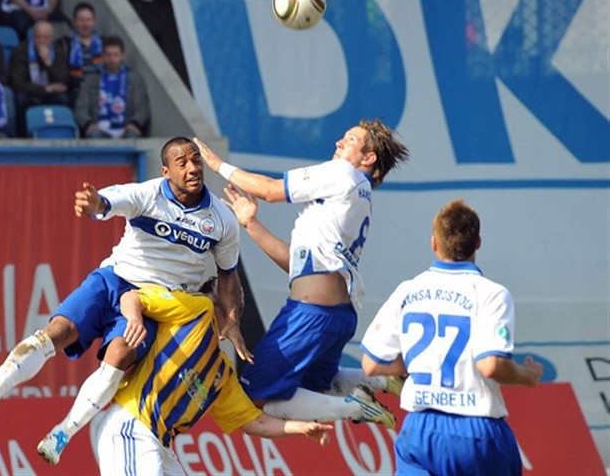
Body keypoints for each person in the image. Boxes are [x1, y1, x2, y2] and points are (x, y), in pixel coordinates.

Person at [0, 137, 252, 447]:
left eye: (196, 161)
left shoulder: (222, 220)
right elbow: (107, 202)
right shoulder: (148, 194)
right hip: (114, 280)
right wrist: (94, 205)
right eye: (182, 163)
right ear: (166, 171)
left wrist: (233, 319)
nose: (193, 168)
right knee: (58, 331)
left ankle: (62, 434)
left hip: (154, 305)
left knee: (119, 354)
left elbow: (228, 277)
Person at [194, 119, 409, 426]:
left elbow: (269, 190)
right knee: (314, 389)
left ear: (368, 158)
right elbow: (298, 266)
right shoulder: (359, 196)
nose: (338, 142)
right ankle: (379, 380)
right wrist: (251, 225)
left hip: (311, 314)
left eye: (349, 139)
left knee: (256, 397)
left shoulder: (342, 174)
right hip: (338, 316)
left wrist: (219, 166)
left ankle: (356, 408)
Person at [360, 199, 544, 475]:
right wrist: (527, 376)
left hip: (421, 429)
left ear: (434, 242)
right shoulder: (491, 294)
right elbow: (490, 365)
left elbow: (371, 364)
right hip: (477, 430)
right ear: (478, 243)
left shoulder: (408, 291)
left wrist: (423, 362)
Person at [90, 283, 333, 474]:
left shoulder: (222, 372)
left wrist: (302, 427)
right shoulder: (197, 309)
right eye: (234, 294)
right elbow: (131, 297)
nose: (238, 302)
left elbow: (255, 423)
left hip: (159, 443)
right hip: (132, 426)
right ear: (218, 296)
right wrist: (134, 319)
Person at [74, 35, 150, 139]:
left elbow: (142, 107)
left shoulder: (133, 77)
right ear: (103, 56)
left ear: (122, 55)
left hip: (127, 127)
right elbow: (81, 107)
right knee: (94, 136)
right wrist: (89, 124)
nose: (112, 59)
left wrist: (134, 123)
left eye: (115, 55)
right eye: (108, 55)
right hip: (98, 127)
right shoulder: (91, 78)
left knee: (133, 136)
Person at [9, 19, 68, 137]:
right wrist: (45, 89)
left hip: (50, 93)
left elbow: (63, 81)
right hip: (29, 92)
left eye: (45, 38)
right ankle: (22, 136)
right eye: (38, 37)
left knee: (62, 98)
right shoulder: (20, 51)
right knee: (20, 99)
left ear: (51, 39)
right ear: (33, 37)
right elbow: (18, 83)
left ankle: (57, 134)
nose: (41, 41)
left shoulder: (58, 51)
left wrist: (48, 63)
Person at [55, 2, 102, 107]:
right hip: (76, 89)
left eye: (88, 20)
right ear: (74, 22)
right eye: (81, 20)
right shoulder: (63, 44)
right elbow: (60, 74)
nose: (85, 24)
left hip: (101, 87)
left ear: (94, 22)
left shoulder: (104, 43)